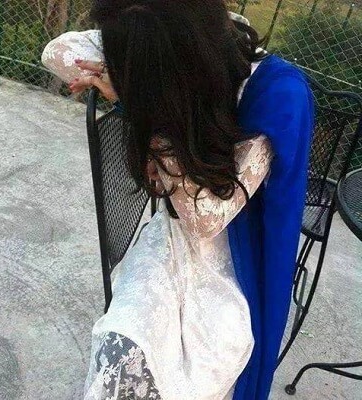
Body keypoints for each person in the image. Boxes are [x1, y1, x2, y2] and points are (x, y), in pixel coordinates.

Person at [42, 2, 314, 399]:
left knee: (195, 367)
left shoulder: (276, 94)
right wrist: (125, 78)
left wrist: (150, 114)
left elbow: (206, 218)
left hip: (236, 254)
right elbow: (57, 52)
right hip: (171, 236)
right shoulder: (155, 30)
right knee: (124, 347)